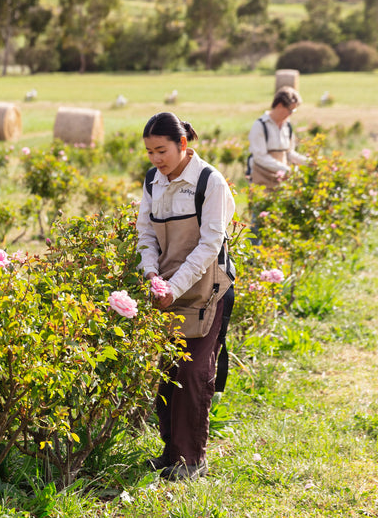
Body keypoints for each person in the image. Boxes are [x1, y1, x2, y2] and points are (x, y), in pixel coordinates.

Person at [136, 112, 235, 482]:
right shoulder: (152, 182)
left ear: (182, 145)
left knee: (194, 372)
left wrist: (175, 286)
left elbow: (211, 244)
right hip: (166, 287)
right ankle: (171, 454)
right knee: (169, 372)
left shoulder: (210, 181)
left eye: (161, 150)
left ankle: (192, 460)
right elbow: (146, 234)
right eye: (149, 152)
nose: (156, 160)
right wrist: (152, 275)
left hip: (206, 288)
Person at [247, 86, 307, 190]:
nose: (290, 115)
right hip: (262, 177)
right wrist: (285, 169)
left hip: (282, 178)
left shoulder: (287, 126)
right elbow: (260, 157)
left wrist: (308, 162)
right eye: (290, 111)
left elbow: (289, 153)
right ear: (279, 105)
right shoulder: (260, 125)